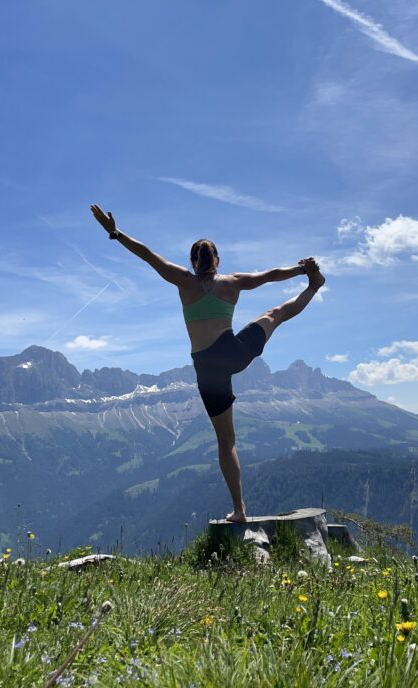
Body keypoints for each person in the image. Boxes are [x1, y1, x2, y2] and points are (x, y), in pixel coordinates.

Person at [89, 204, 325, 523]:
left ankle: (239, 510)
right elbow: (270, 276)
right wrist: (301, 271)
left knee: (226, 441)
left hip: (206, 369)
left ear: (192, 261)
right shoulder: (232, 282)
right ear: (218, 260)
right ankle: (313, 286)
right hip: (233, 353)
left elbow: (146, 254)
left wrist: (115, 233)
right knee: (275, 315)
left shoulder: (183, 281)